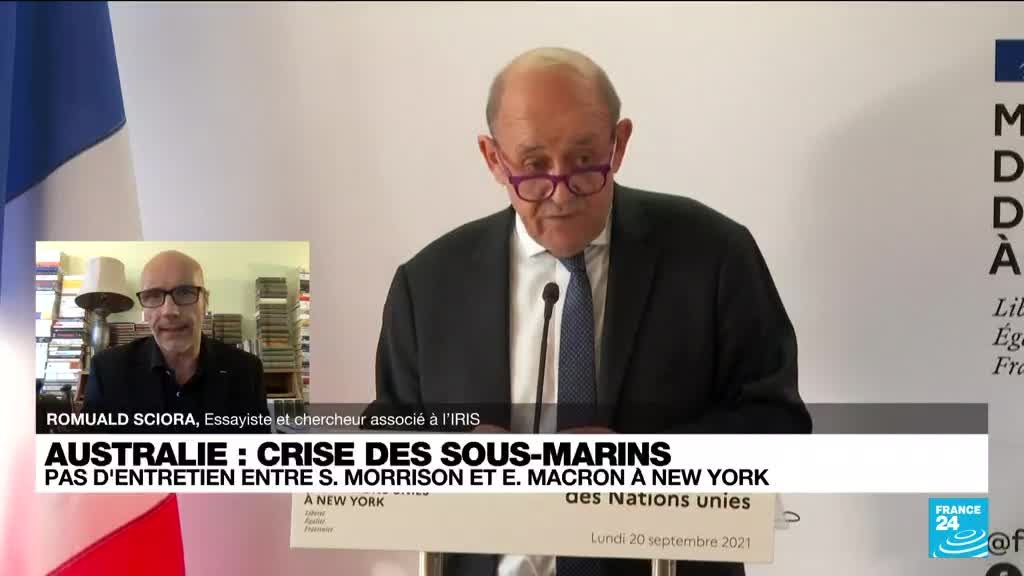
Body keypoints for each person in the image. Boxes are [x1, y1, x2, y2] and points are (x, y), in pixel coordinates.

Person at [371, 47, 811, 576]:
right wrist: (454, 454)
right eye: (534, 167)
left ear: (618, 144)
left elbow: (777, 425)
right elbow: (387, 435)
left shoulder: (713, 256)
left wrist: (639, 462)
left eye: (584, 162)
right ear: (493, 158)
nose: (561, 193)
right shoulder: (428, 284)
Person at [83, 250, 269, 433]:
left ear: (205, 302)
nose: (169, 311)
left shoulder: (246, 371)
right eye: (153, 295)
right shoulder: (106, 371)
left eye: (185, 292)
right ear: (144, 310)